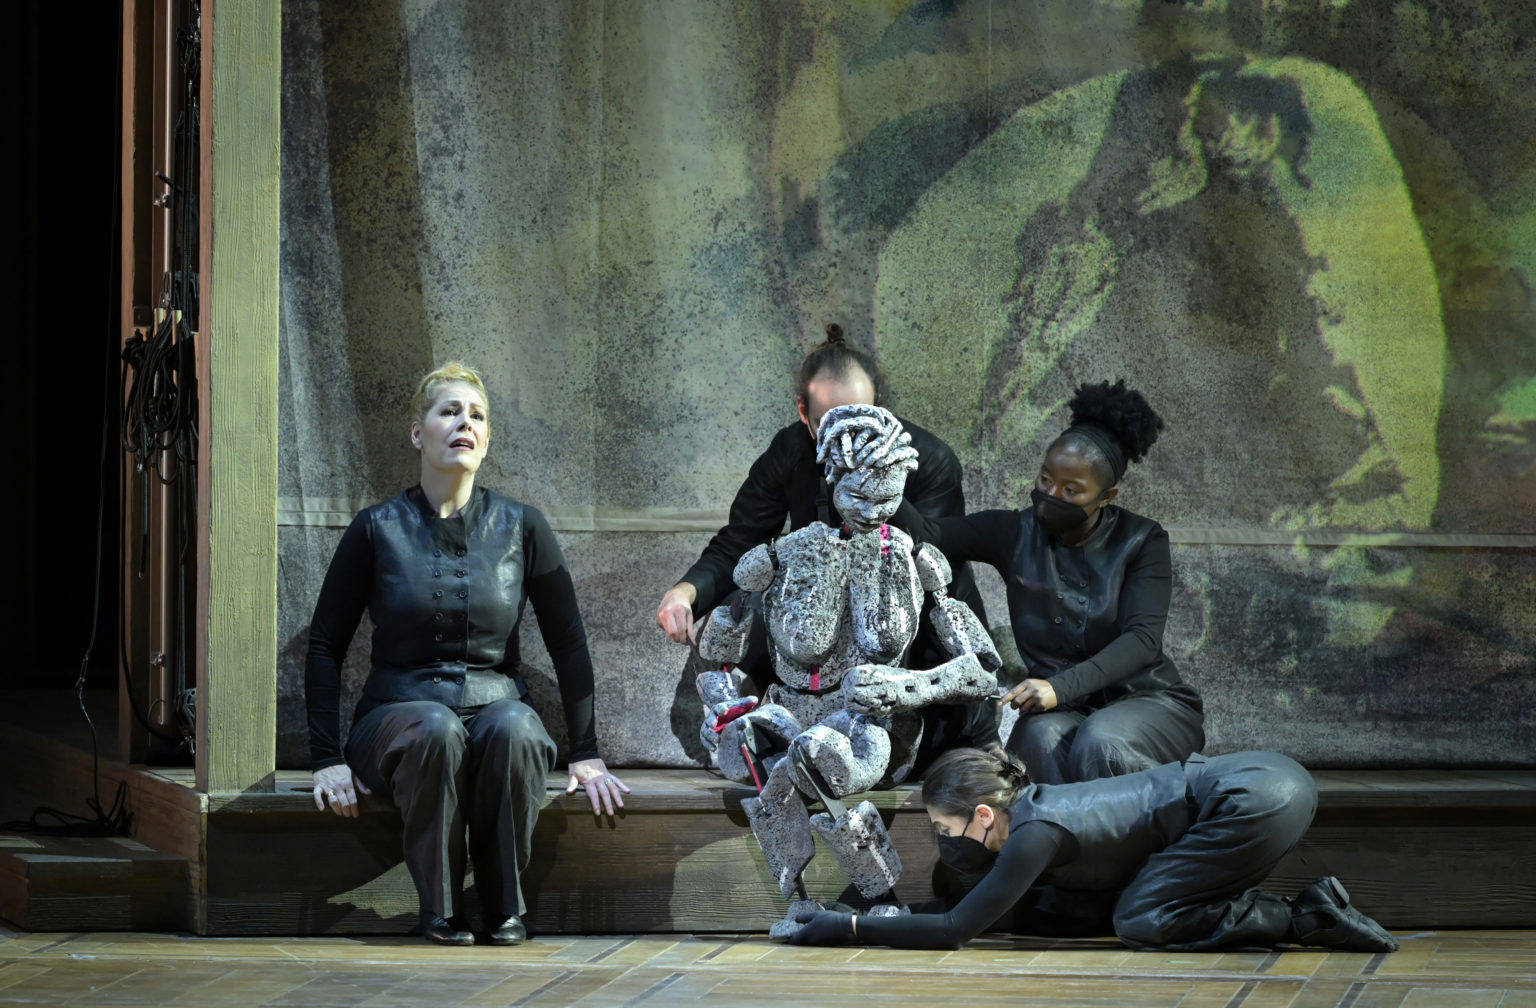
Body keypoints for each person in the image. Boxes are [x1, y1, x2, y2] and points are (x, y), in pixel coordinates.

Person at [304, 362, 629, 947]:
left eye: (476, 416)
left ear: (487, 440)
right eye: (449, 411)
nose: (464, 423)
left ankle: (503, 905)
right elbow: (325, 642)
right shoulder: (375, 527)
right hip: (397, 716)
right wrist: (326, 757)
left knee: (518, 730)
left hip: (493, 704)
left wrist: (587, 753)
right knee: (434, 728)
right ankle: (441, 907)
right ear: (417, 433)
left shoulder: (522, 526)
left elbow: (568, 642)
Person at [657, 324, 996, 766]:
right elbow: (741, 542)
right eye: (831, 424)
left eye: (860, 417)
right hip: (819, 611)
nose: (847, 440)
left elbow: (942, 552)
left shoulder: (927, 459)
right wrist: (686, 591)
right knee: (740, 612)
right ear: (804, 412)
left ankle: (972, 747)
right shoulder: (791, 452)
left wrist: (881, 485)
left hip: (895, 611)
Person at [788, 746, 1399, 953]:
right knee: (1138, 905)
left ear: (982, 815)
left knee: (1139, 918)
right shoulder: (1031, 814)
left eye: (946, 831)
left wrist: (845, 928)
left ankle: (1303, 917)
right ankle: (1304, 913)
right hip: (1271, 779)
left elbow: (956, 928)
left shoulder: (1033, 834)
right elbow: (979, 913)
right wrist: (863, 917)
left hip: (1254, 795)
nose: (946, 844)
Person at [893, 379, 1203, 785]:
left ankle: (1137, 843)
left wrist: (1058, 687)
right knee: (1034, 742)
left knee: (1101, 742)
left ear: (1107, 496)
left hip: (1148, 702)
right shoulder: (1014, 532)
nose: (1050, 494)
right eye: (1044, 480)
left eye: (1071, 490)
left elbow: (1143, 640)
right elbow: (929, 533)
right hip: (1067, 713)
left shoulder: (1143, 540)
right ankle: (1059, 846)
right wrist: (879, 485)